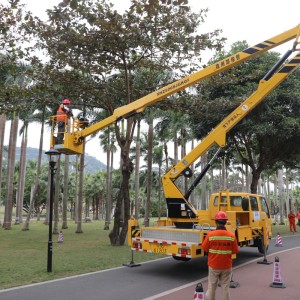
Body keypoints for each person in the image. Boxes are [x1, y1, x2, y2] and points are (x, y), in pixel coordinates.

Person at [202, 211, 239, 300]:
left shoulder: (210, 235)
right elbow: (235, 250)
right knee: (225, 288)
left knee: (212, 288)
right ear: (226, 222)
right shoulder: (231, 236)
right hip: (226, 266)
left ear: (216, 222)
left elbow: (205, 248)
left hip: (213, 266)